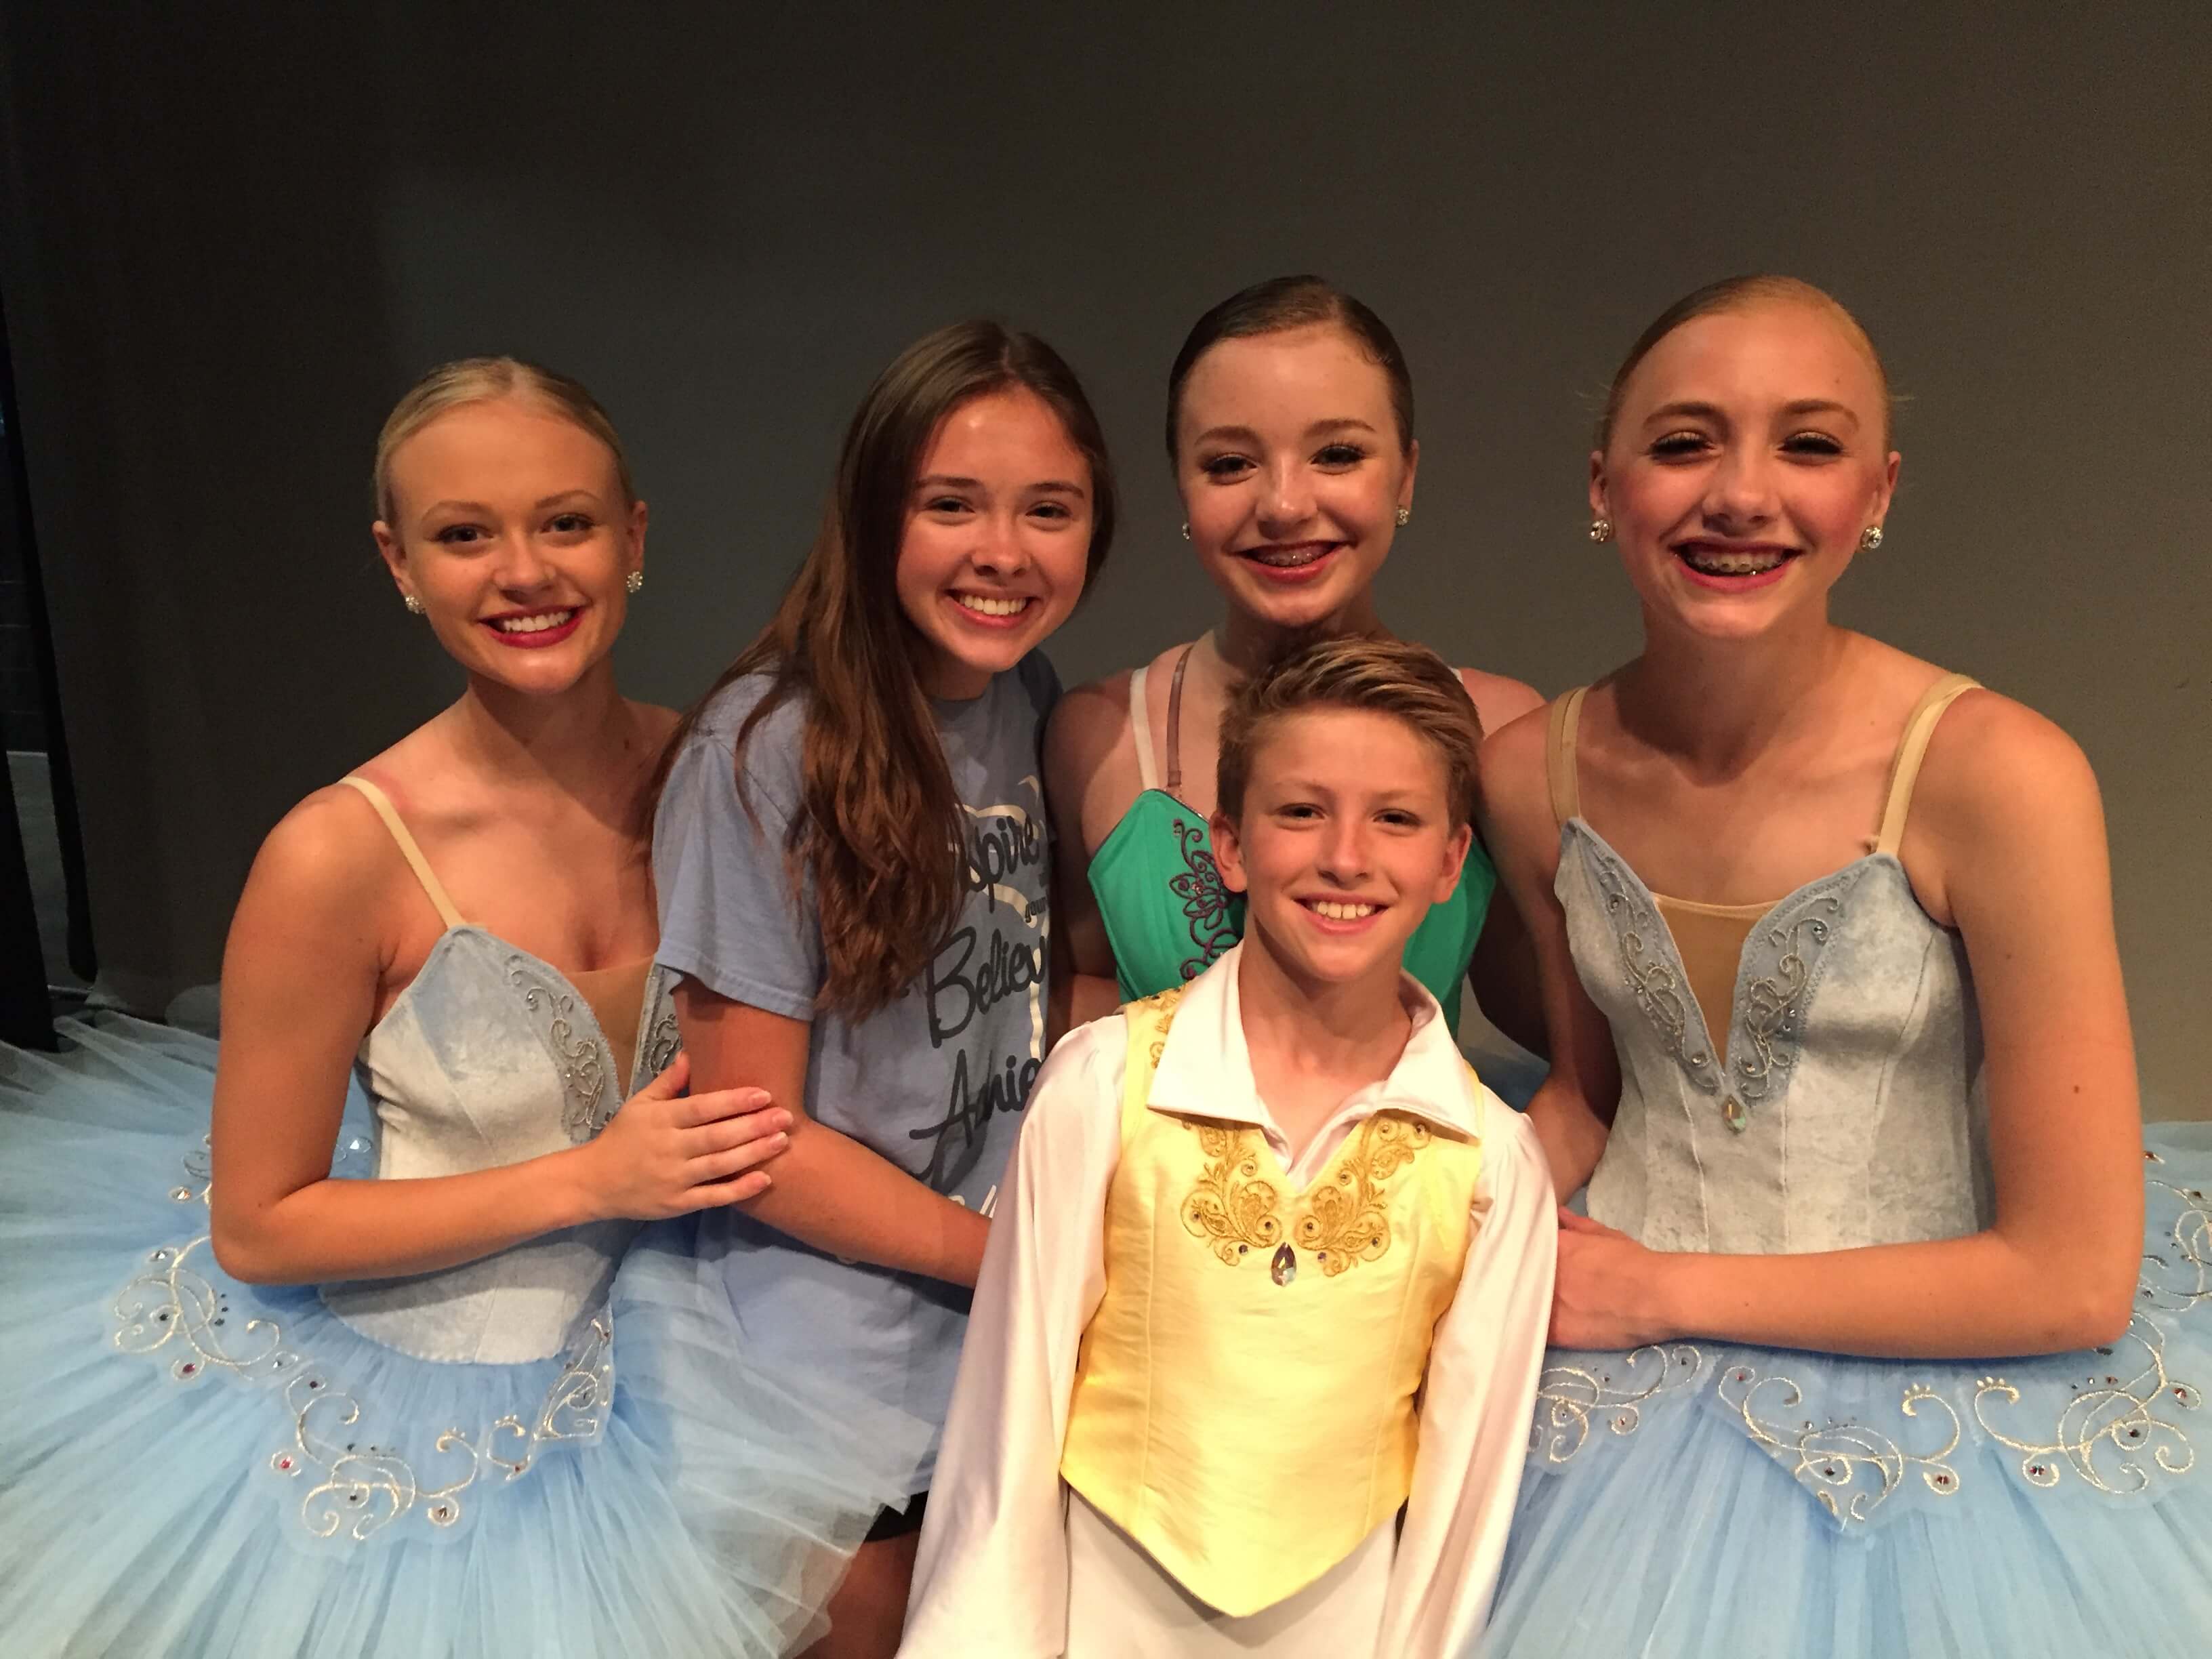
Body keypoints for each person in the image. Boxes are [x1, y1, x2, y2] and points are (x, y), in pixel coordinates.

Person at [0, 358, 920, 1658]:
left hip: (708, 1367)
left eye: (564, 522)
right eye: (464, 534)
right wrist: (590, 1179)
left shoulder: (730, 776)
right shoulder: (337, 855)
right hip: (430, 1416)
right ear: (399, 561)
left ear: (632, 537)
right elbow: (259, 1225)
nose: (523, 572)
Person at [1473, 276, 2212, 1656]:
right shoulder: (1530, 774)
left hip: (1935, 1403)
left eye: (1806, 444)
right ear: (1603, 486)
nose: (1740, 494)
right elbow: (1590, 1096)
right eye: (1683, 442)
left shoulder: (2002, 775)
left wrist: (1661, 1292)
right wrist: (1442, 1222)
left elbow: (2072, 1274)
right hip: (1592, 1385)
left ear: (1876, 492)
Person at [904, 637, 1556, 1658]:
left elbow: (1466, 1492)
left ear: (1449, 862)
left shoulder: (1492, 1163)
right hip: (1096, 1620)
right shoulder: (1104, 1086)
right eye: (1301, 812)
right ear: (1230, 846)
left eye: (1395, 818)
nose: (1347, 857)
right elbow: (1008, 1419)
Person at [651, 321, 1114, 1658]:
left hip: (997, 1320)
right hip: (827, 1363)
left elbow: (1041, 987)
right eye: (950, 504)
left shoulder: (1027, 696)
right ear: (870, 514)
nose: (1002, 551)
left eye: (1048, 509)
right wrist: (1015, 1261)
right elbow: (750, 1138)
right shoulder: (762, 748)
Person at [1046, 276, 1546, 1060]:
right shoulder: (1095, 737)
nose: (1283, 505)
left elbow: (1569, 1042)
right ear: (1182, 485)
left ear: (1406, 475)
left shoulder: (1502, 735)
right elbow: (1065, 1007)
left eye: (1337, 454)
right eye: (1230, 463)